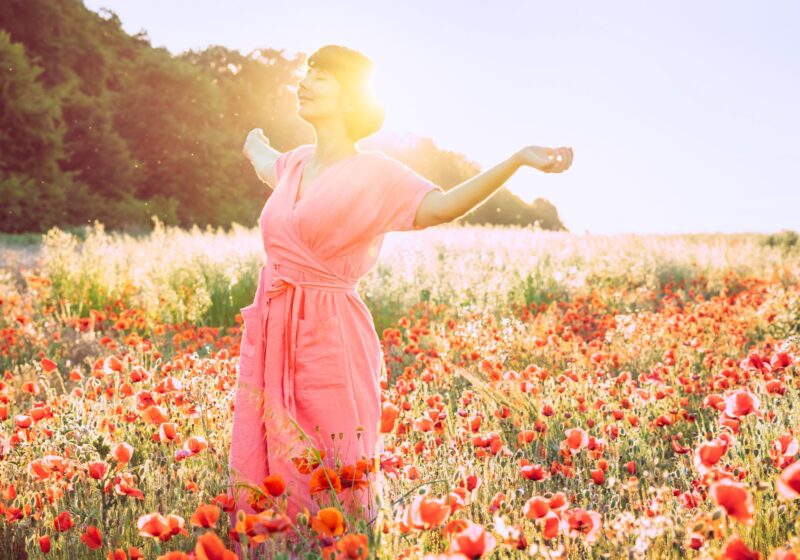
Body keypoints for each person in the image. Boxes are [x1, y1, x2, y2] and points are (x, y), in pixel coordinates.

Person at [228, 44, 573, 557]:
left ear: (350, 99)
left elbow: (440, 207)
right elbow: (262, 163)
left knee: (331, 459)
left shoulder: (377, 173)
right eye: (307, 72)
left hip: (330, 334)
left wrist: (517, 160)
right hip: (274, 326)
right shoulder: (293, 165)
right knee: (273, 453)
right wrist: (253, 141)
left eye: (321, 76)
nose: (306, 81)